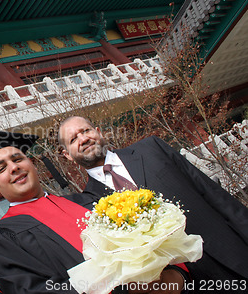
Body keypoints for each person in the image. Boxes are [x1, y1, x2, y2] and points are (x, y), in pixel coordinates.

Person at [0, 129, 188, 294]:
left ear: (32, 165)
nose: (14, 168)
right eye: (2, 168)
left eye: (17, 159)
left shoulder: (92, 201)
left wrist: (175, 275)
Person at [58, 116, 248, 291]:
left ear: (98, 131)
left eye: (86, 131)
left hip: (231, 253)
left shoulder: (152, 148)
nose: (83, 139)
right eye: (73, 139)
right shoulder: (92, 205)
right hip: (190, 282)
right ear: (67, 155)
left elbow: (210, 192)